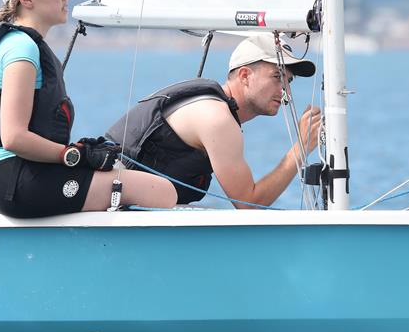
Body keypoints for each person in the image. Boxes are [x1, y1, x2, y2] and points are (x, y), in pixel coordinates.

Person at [0, 0, 177, 217]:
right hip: (19, 182)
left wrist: (79, 151)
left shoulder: (17, 44)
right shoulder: (22, 49)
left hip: (7, 181)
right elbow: (13, 138)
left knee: (128, 177)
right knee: (162, 192)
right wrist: (74, 156)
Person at [106, 33, 322, 208]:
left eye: (289, 81)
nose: (286, 92)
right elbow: (249, 204)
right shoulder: (217, 118)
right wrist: (300, 149)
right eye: (277, 77)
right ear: (245, 76)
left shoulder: (218, 110)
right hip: (104, 206)